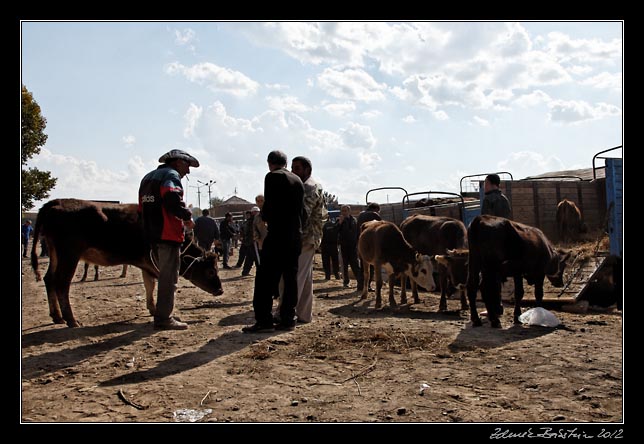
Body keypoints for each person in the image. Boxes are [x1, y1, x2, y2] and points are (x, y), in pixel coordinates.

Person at [243, 150, 305, 333]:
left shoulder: (272, 177)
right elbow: (303, 212)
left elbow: (269, 209)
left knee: (265, 279)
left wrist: (265, 217)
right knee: (290, 278)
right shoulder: (297, 180)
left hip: (278, 235)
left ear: (269, 163)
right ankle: (288, 318)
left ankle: (264, 321)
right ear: (285, 163)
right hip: (295, 236)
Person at [138, 149, 199, 330]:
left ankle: (164, 312)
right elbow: (172, 199)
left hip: (152, 234)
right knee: (168, 277)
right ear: (178, 162)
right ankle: (164, 318)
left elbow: (143, 206)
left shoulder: (148, 177)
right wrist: (187, 217)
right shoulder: (171, 175)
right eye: (187, 166)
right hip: (168, 234)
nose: (187, 171)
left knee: (162, 274)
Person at [291, 156, 327, 324]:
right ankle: (304, 315)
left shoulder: (308, 187)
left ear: (307, 170)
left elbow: (302, 214)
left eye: (297, 168)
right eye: (293, 168)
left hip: (304, 237)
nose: (293, 171)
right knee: (305, 278)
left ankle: (287, 313)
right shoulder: (314, 185)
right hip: (310, 237)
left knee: (297, 276)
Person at [356, 202, 382, 290]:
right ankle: (368, 285)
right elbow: (380, 228)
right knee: (371, 265)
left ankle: (360, 285)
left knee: (363, 265)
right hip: (372, 244)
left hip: (361, 242)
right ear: (375, 209)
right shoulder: (374, 215)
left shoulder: (360, 215)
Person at [338, 205, 363, 291]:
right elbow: (335, 231)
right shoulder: (339, 220)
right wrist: (339, 223)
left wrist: (357, 244)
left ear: (349, 211)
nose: (344, 213)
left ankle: (360, 282)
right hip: (344, 246)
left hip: (353, 247)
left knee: (355, 265)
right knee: (344, 265)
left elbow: (357, 233)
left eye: (345, 211)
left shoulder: (354, 220)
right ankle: (346, 282)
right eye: (342, 211)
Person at [240, 210, 259, 276]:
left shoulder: (248, 222)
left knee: (249, 258)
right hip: (253, 243)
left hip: (250, 243)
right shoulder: (251, 222)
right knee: (256, 258)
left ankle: (245, 272)